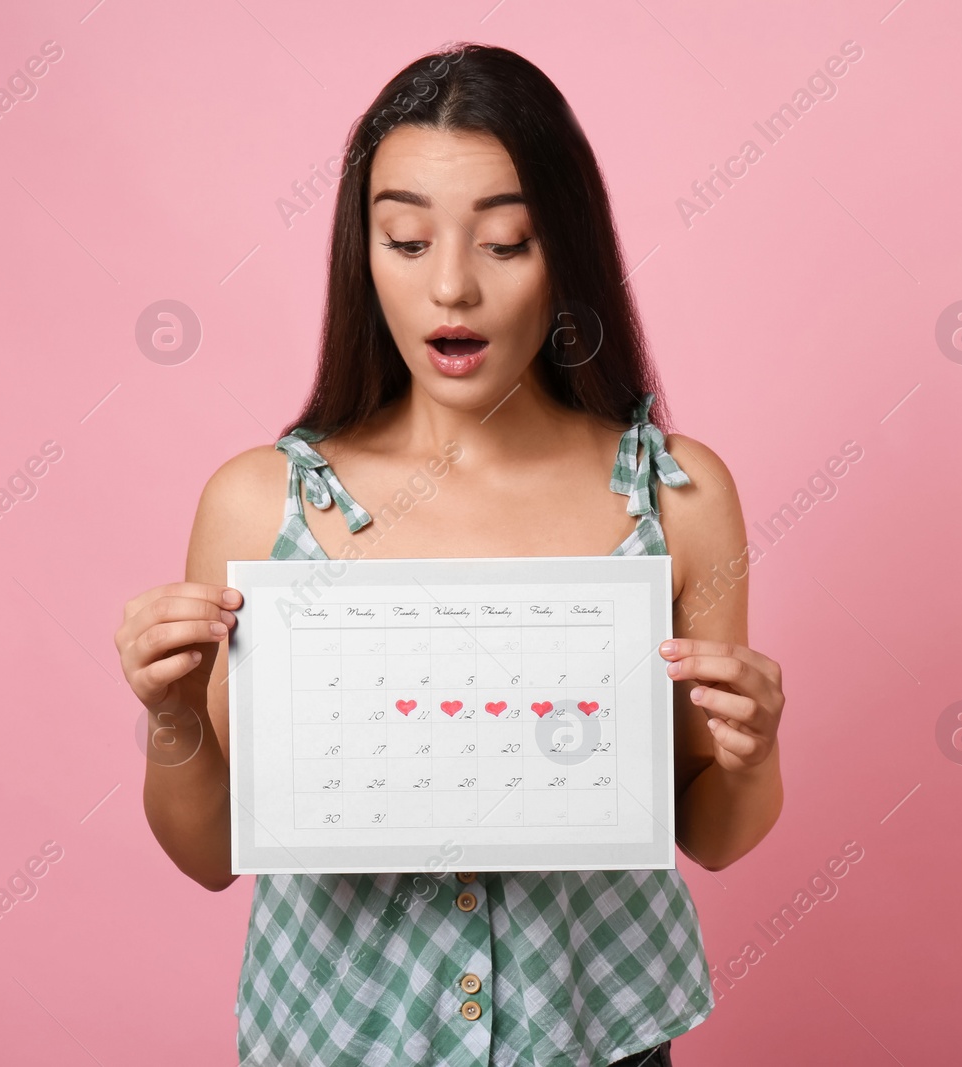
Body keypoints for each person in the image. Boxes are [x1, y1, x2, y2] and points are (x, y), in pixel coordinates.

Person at [112, 42, 784, 1066]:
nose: (454, 287)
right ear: (362, 252)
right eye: (408, 240)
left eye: (507, 241)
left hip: (597, 1039)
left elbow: (714, 832)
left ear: (566, 251)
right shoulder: (261, 503)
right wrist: (169, 716)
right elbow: (209, 856)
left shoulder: (675, 496)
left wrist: (755, 745)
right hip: (337, 1040)